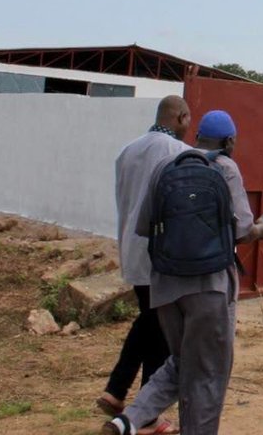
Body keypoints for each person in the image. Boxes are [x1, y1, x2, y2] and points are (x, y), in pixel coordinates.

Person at [102, 110, 263, 435]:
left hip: (165, 285)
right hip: (209, 287)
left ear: (197, 137)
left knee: (182, 362)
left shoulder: (167, 167)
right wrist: (262, 229)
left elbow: (143, 227)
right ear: (230, 141)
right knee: (210, 373)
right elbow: (243, 230)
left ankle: (129, 420)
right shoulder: (225, 168)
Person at [96, 95, 191, 432]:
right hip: (160, 254)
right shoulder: (176, 153)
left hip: (132, 251)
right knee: (161, 331)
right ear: (180, 117)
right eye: (188, 120)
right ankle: (145, 413)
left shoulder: (128, 150)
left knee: (149, 321)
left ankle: (116, 390)